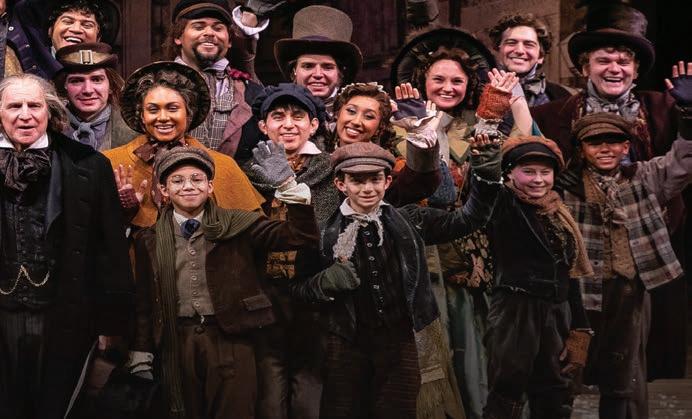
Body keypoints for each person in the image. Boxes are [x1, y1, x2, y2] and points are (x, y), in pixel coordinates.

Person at [531, 3, 691, 379]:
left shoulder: (663, 107)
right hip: (578, 252)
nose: (614, 68)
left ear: (636, 69)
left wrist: (689, 115)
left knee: (628, 364)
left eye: (624, 61)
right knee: (568, 359)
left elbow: (683, 162)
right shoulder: (552, 115)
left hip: (642, 253)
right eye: (604, 60)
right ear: (584, 66)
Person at [290, 138, 501, 419]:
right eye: (357, 180)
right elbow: (298, 288)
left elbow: (469, 220)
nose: (367, 188)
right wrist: (324, 282)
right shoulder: (323, 232)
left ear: (388, 181)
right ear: (341, 184)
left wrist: (486, 170)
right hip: (345, 343)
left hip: (402, 341)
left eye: (375, 179)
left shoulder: (409, 219)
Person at [130, 145, 319, 419]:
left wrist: (287, 185)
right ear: (163, 190)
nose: (188, 186)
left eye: (197, 179)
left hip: (232, 339)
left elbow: (301, 237)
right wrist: (141, 352)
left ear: (210, 186)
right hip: (176, 341)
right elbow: (145, 303)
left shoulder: (239, 226)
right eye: (177, 181)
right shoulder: (149, 239)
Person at [0, 73, 133, 418]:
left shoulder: (89, 164)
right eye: (14, 106)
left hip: (64, 314)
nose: (25, 115)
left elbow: (110, 250)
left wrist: (111, 325)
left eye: (34, 105)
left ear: (50, 111)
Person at [555, 109, 692, 417]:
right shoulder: (566, 185)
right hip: (579, 294)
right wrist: (556, 178)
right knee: (566, 368)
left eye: (613, 142)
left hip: (627, 291)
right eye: (595, 143)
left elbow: (682, 163)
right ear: (581, 149)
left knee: (624, 375)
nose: (605, 149)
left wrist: (688, 126)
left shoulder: (644, 176)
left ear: (626, 147)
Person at [483, 135, 593, 419]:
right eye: (528, 171)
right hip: (515, 311)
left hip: (556, 312)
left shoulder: (558, 213)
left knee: (556, 391)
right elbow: (484, 180)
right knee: (507, 389)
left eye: (545, 172)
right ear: (510, 173)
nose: (538, 180)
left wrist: (580, 327)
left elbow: (569, 274)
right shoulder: (502, 204)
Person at [103, 61, 263, 229]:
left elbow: (254, 232)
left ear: (188, 113)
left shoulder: (223, 165)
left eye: (173, 108)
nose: (163, 117)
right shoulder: (111, 163)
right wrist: (122, 214)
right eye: (153, 110)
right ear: (142, 116)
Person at [164, 0, 268, 160]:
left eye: (218, 28)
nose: (209, 33)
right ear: (178, 37)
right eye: (198, 27)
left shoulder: (253, 94)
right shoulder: (154, 87)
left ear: (229, 40)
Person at [274, 5, 363, 128]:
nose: (317, 74)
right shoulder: (273, 112)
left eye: (327, 67)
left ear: (340, 74)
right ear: (293, 72)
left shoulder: (359, 117)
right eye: (308, 66)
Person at [53, 41, 135, 151]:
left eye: (96, 80)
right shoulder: (49, 128)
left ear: (111, 86)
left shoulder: (133, 130)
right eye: (77, 81)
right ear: (64, 86)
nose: (88, 90)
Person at [489, 13, 573, 107]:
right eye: (511, 43)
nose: (519, 51)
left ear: (540, 56)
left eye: (529, 44)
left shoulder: (564, 97)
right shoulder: (477, 91)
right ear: (498, 51)